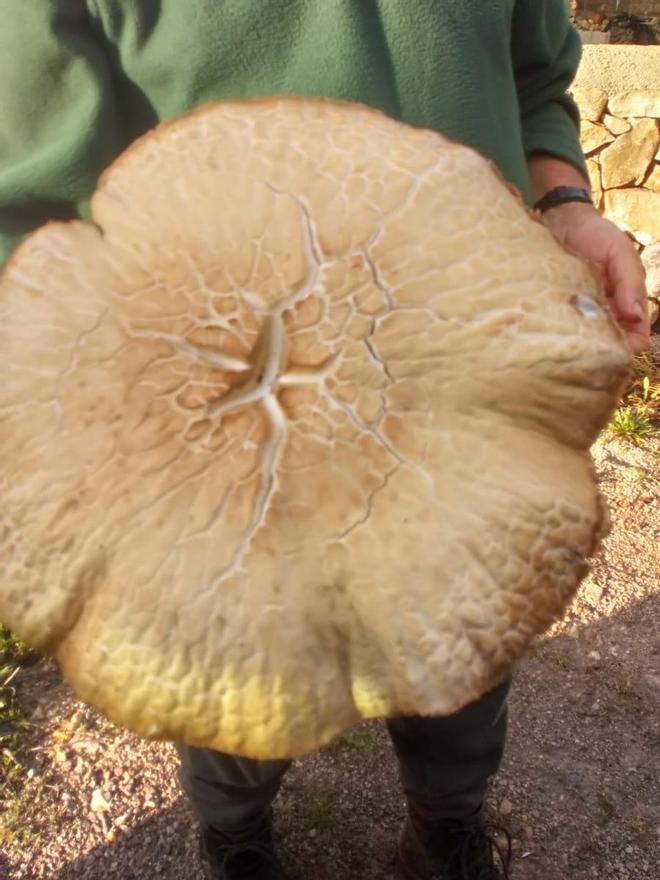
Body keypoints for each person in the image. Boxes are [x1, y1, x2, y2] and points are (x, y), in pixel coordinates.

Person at [0, 3, 650, 879]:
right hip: (215, 403)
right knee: (236, 653)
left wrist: (566, 200)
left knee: (465, 631)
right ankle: (234, 834)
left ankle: (447, 821)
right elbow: (30, 197)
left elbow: (535, 82)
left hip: (463, 361)